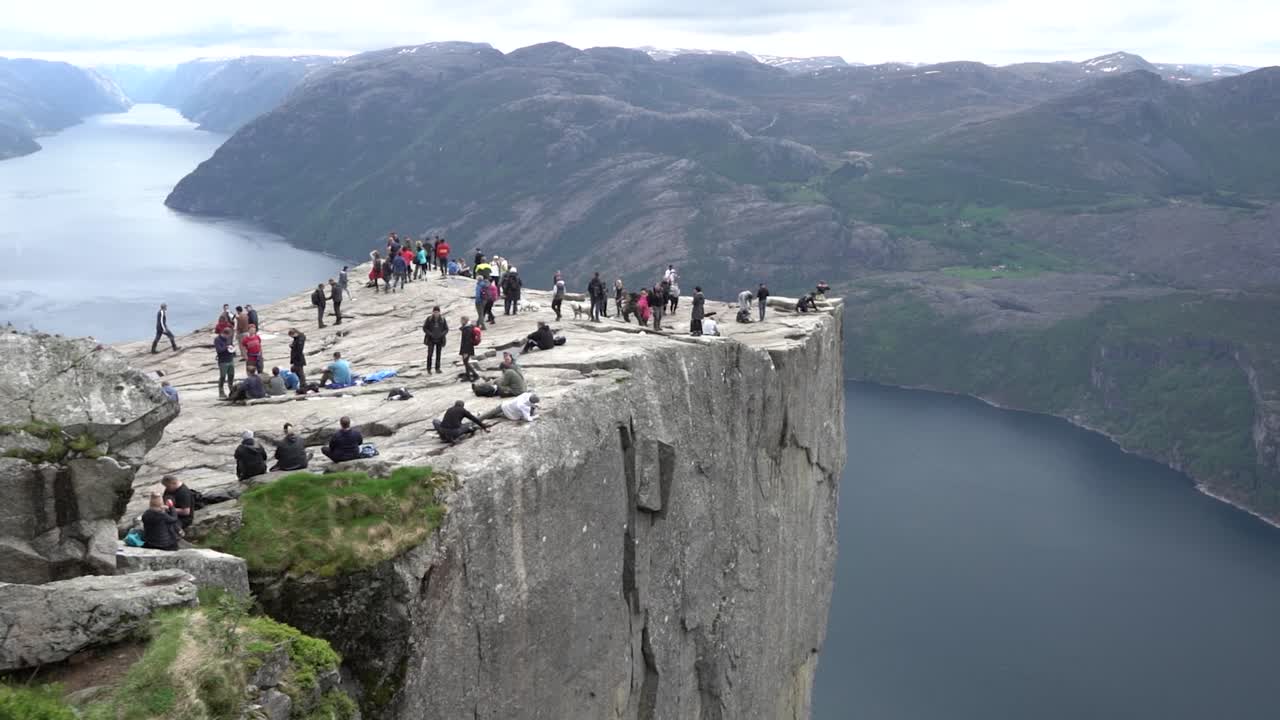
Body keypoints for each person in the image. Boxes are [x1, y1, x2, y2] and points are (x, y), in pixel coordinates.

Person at [422, 306, 449, 374]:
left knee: (438, 354)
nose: (436, 313)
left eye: (437, 312)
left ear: (439, 312)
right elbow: (424, 328)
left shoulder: (442, 319)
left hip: (440, 339)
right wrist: (430, 334)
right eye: (435, 312)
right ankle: (429, 369)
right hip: (431, 339)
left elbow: (446, 329)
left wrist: (442, 334)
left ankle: (437, 368)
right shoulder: (429, 319)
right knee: (430, 354)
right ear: (433, 312)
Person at [214, 327, 237, 399]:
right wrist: (226, 347)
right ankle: (221, 392)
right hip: (223, 361)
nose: (229, 337)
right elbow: (219, 350)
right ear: (225, 334)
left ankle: (231, 390)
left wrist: (233, 350)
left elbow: (231, 344)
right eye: (228, 335)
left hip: (230, 359)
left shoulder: (229, 338)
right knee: (223, 377)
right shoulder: (217, 339)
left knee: (231, 375)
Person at [459, 316, 479, 381]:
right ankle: (468, 375)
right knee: (465, 362)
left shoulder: (468, 329)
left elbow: (467, 341)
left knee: (466, 362)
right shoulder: (467, 327)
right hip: (466, 347)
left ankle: (475, 375)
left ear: (465, 321)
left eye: (461, 320)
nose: (460, 321)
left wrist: (465, 352)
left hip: (467, 348)